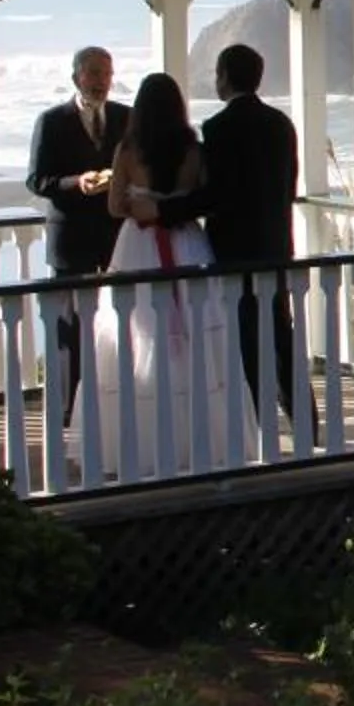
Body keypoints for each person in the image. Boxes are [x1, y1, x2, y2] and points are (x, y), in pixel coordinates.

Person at [151, 42, 303, 436]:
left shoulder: (219, 128)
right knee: (281, 336)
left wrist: (164, 211)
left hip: (235, 249)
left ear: (223, 77)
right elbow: (289, 185)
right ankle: (305, 423)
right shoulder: (281, 123)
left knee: (244, 339)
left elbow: (216, 195)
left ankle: (256, 427)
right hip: (275, 245)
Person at [93, 72, 234, 468]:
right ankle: (201, 438)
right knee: (193, 330)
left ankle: (145, 442)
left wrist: (142, 205)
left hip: (139, 245)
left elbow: (114, 206)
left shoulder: (128, 149)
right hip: (186, 242)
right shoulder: (193, 149)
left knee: (140, 333)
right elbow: (203, 198)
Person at [25, 47, 130, 421]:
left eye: (107, 73)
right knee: (70, 329)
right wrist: (77, 182)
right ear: (76, 77)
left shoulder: (125, 117)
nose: (102, 81)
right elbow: (37, 180)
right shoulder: (52, 121)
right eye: (94, 73)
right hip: (71, 239)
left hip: (115, 236)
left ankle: (114, 398)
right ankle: (69, 409)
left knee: (121, 320)